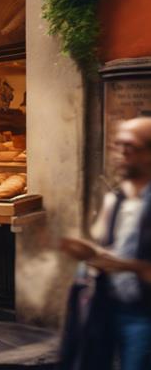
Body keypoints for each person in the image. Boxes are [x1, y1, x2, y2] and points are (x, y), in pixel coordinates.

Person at [60, 117, 151, 370]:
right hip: (108, 304)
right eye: (117, 145)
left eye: (129, 147)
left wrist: (124, 265)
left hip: (144, 314)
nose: (120, 154)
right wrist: (90, 254)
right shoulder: (116, 199)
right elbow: (105, 246)